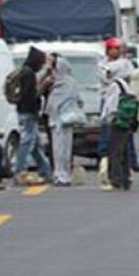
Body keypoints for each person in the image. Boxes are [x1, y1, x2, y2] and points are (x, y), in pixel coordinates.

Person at [13, 46, 52, 186]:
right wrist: (44, 86)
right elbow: (32, 95)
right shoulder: (28, 74)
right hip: (29, 112)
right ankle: (19, 171)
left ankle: (46, 172)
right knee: (27, 143)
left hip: (23, 111)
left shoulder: (25, 71)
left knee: (35, 145)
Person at [96, 38, 133, 185]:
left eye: (119, 49)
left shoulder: (125, 65)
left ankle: (121, 174)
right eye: (114, 48)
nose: (117, 51)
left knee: (121, 143)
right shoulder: (102, 64)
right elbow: (105, 77)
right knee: (110, 142)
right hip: (108, 101)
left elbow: (120, 74)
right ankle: (112, 172)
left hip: (121, 105)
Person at [44, 54, 83, 187]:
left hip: (59, 121)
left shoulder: (61, 84)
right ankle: (63, 174)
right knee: (65, 149)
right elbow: (79, 100)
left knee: (60, 150)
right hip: (66, 120)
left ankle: (61, 176)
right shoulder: (70, 82)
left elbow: (53, 103)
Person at [101, 59, 136, 191]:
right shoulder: (126, 84)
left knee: (115, 151)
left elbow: (111, 105)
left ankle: (116, 178)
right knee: (124, 150)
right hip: (126, 121)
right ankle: (126, 177)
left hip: (117, 121)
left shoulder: (115, 85)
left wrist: (106, 118)